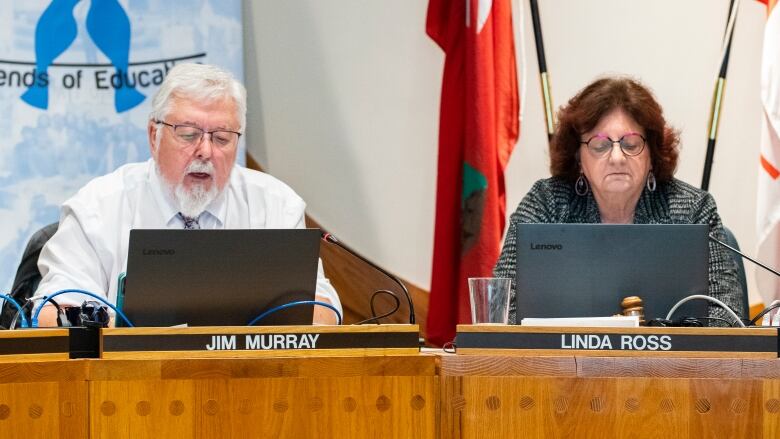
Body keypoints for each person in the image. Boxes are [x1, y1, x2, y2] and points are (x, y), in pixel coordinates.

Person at [32, 63, 341, 326]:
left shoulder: (275, 205)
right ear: (154, 136)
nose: (205, 151)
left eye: (221, 138)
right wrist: (134, 335)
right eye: (188, 134)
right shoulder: (97, 207)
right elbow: (51, 311)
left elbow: (324, 308)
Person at [494, 76, 744, 325]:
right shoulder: (546, 203)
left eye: (631, 143)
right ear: (579, 157)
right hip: (563, 363)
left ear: (652, 155)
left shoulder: (693, 209)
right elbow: (502, 308)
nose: (617, 157)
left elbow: (727, 317)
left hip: (668, 363)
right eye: (600, 145)